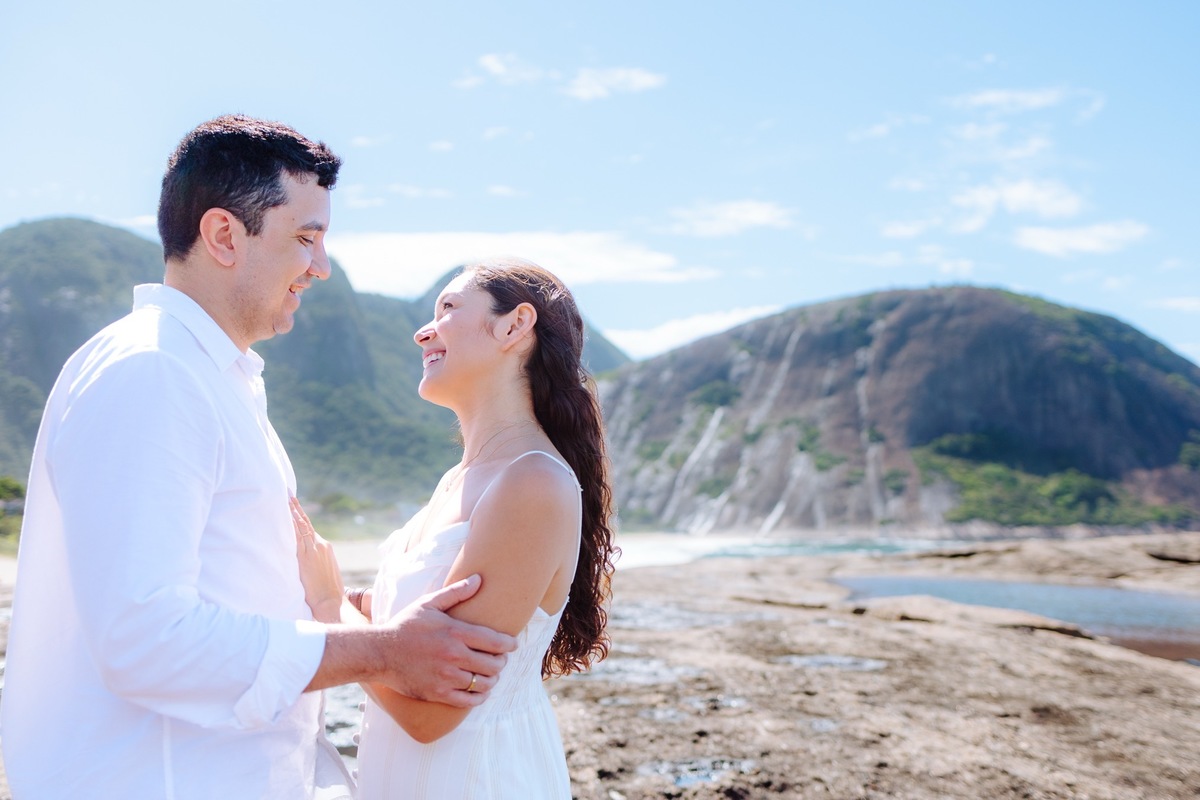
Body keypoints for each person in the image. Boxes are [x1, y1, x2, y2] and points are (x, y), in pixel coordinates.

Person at [0, 115, 515, 799]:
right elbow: (144, 636)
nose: (320, 266)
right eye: (305, 238)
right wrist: (384, 651)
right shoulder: (153, 372)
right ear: (223, 235)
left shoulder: (212, 378)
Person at [291, 258, 618, 798]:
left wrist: (330, 604)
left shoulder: (532, 482)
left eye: (447, 309)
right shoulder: (458, 481)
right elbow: (410, 627)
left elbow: (432, 717)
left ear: (514, 326)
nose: (423, 332)